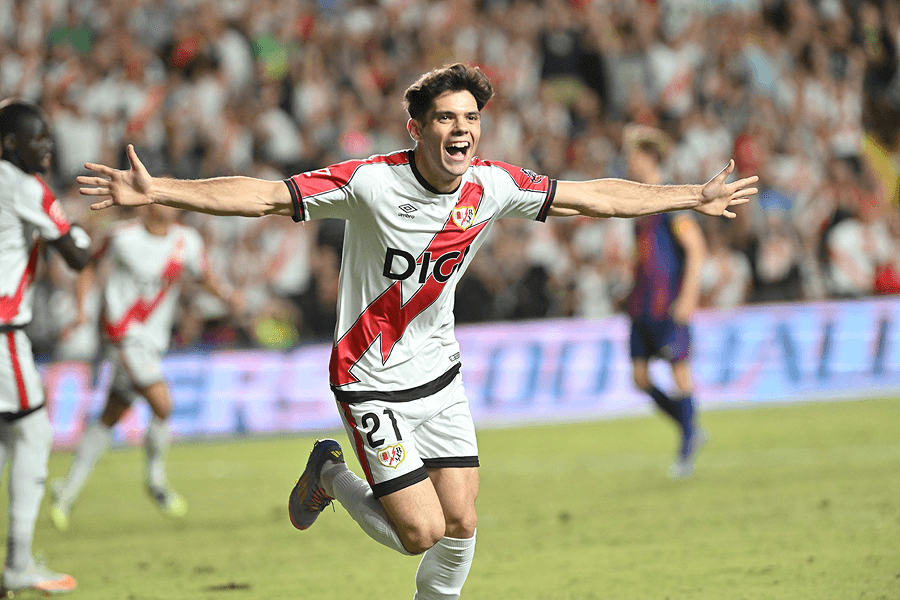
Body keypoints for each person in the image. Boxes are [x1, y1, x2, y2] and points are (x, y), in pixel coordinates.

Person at [76, 64, 757, 599]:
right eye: (446, 118)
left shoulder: (493, 185)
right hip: (369, 380)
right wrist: (160, 190)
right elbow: (262, 195)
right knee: (420, 533)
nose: (462, 130)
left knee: (462, 521)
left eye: (471, 118)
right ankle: (330, 475)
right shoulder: (369, 182)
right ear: (415, 128)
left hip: (440, 375)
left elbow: (596, 196)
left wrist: (688, 196)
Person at [49, 202, 240, 531]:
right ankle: (156, 482)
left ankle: (66, 491)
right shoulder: (122, 235)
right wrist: (82, 309)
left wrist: (225, 294)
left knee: (111, 415)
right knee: (162, 403)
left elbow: (204, 275)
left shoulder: (187, 240)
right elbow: (88, 266)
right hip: (123, 335)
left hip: (153, 341)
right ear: (147, 202)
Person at [0, 99, 91, 594]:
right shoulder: (22, 184)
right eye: (37, 139)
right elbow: (76, 256)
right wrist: (77, 227)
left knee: (4, 440)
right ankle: (17, 561)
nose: (48, 148)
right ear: (11, 144)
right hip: (2, 332)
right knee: (34, 435)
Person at [622, 125, 708, 479]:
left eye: (632, 155)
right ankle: (690, 426)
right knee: (640, 378)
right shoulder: (639, 202)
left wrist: (688, 297)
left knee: (679, 372)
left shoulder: (671, 199)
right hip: (642, 304)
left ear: (647, 157)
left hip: (668, 303)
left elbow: (697, 248)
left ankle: (688, 443)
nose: (628, 162)